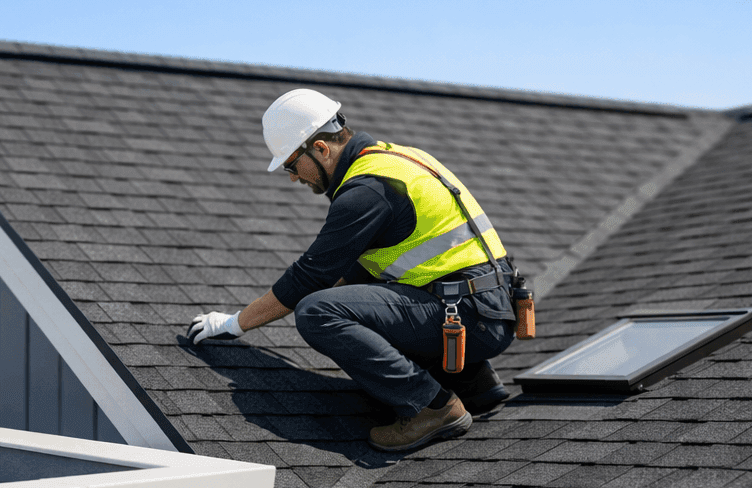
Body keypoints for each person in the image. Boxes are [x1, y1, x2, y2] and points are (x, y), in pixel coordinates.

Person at [187, 89, 517, 451]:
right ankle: (475, 383)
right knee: (335, 297)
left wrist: (235, 324)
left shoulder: (367, 191)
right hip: (486, 310)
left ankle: (431, 407)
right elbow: (359, 273)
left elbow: (308, 277)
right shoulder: (398, 158)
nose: (294, 178)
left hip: (467, 317)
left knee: (317, 311)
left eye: (291, 165)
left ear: (321, 149)